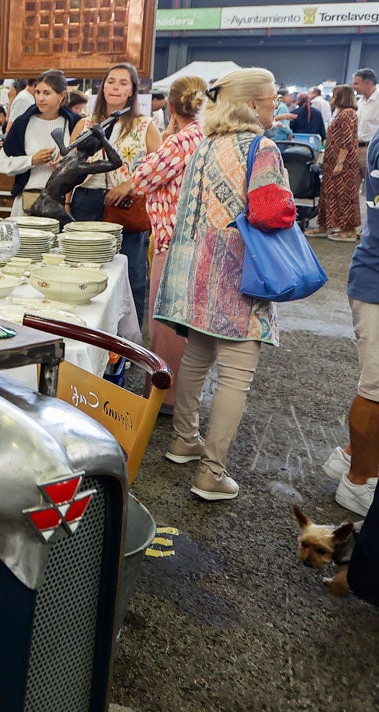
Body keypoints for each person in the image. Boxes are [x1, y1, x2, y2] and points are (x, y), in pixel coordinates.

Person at [153, 68, 297, 501]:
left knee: (198, 353)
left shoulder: (203, 146)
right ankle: (212, 472)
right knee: (236, 374)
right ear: (252, 104)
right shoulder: (262, 147)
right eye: (272, 97)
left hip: (198, 270)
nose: (277, 104)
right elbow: (271, 213)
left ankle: (183, 440)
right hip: (240, 272)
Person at [130, 75, 208, 414]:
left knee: (165, 324)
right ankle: (183, 396)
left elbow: (140, 180)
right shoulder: (207, 136)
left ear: (171, 107)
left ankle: (164, 397)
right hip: (198, 239)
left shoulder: (179, 141)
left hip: (172, 240)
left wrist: (163, 139)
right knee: (188, 323)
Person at [71, 62, 161, 324]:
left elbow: (159, 168)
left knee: (130, 270)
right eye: (111, 81)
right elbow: (70, 166)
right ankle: (86, 328)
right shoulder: (85, 124)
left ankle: (126, 340)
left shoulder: (145, 125)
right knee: (84, 267)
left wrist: (129, 184)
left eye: (123, 83)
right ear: (103, 87)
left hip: (127, 204)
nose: (116, 87)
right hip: (86, 198)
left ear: (132, 90)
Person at [324, 126, 379, 516]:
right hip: (375, 283)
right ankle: (358, 480)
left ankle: (351, 459)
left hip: (371, 278)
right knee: (375, 389)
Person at [0, 68, 78, 215]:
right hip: (27, 201)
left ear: (61, 95)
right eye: (38, 92)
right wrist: (31, 160)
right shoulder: (23, 123)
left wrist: (66, 164)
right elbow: (1, 164)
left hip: (61, 203)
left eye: (47, 93)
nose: (40, 98)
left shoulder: (74, 124)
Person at [309, 84, 363, 241]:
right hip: (333, 160)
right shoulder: (340, 113)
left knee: (344, 195)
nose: (331, 99)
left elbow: (346, 141)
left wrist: (340, 163)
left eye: (334, 96)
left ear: (341, 97)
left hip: (343, 162)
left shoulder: (348, 114)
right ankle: (325, 225)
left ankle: (348, 229)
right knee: (330, 193)